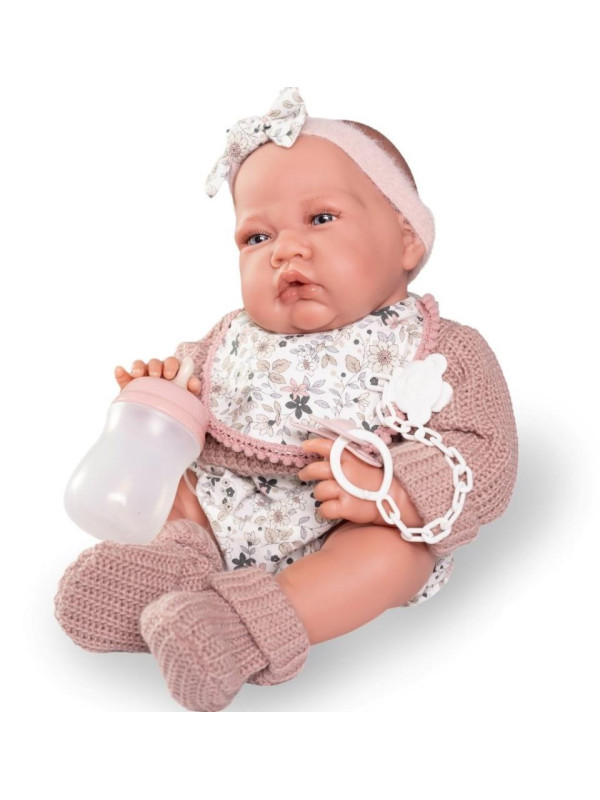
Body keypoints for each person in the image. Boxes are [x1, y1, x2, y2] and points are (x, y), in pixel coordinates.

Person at [55, 88, 518, 712]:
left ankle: (243, 630)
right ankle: (174, 568)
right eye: (256, 236)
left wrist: (392, 490)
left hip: (346, 527)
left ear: (407, 239)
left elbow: (487, 453)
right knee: (182, 490)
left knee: (395, 554)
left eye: (321, 219)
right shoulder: (230, 340)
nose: (285, 250)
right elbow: (189, 409)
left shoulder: (437, 348)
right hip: (223, 509)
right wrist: (164, 399)